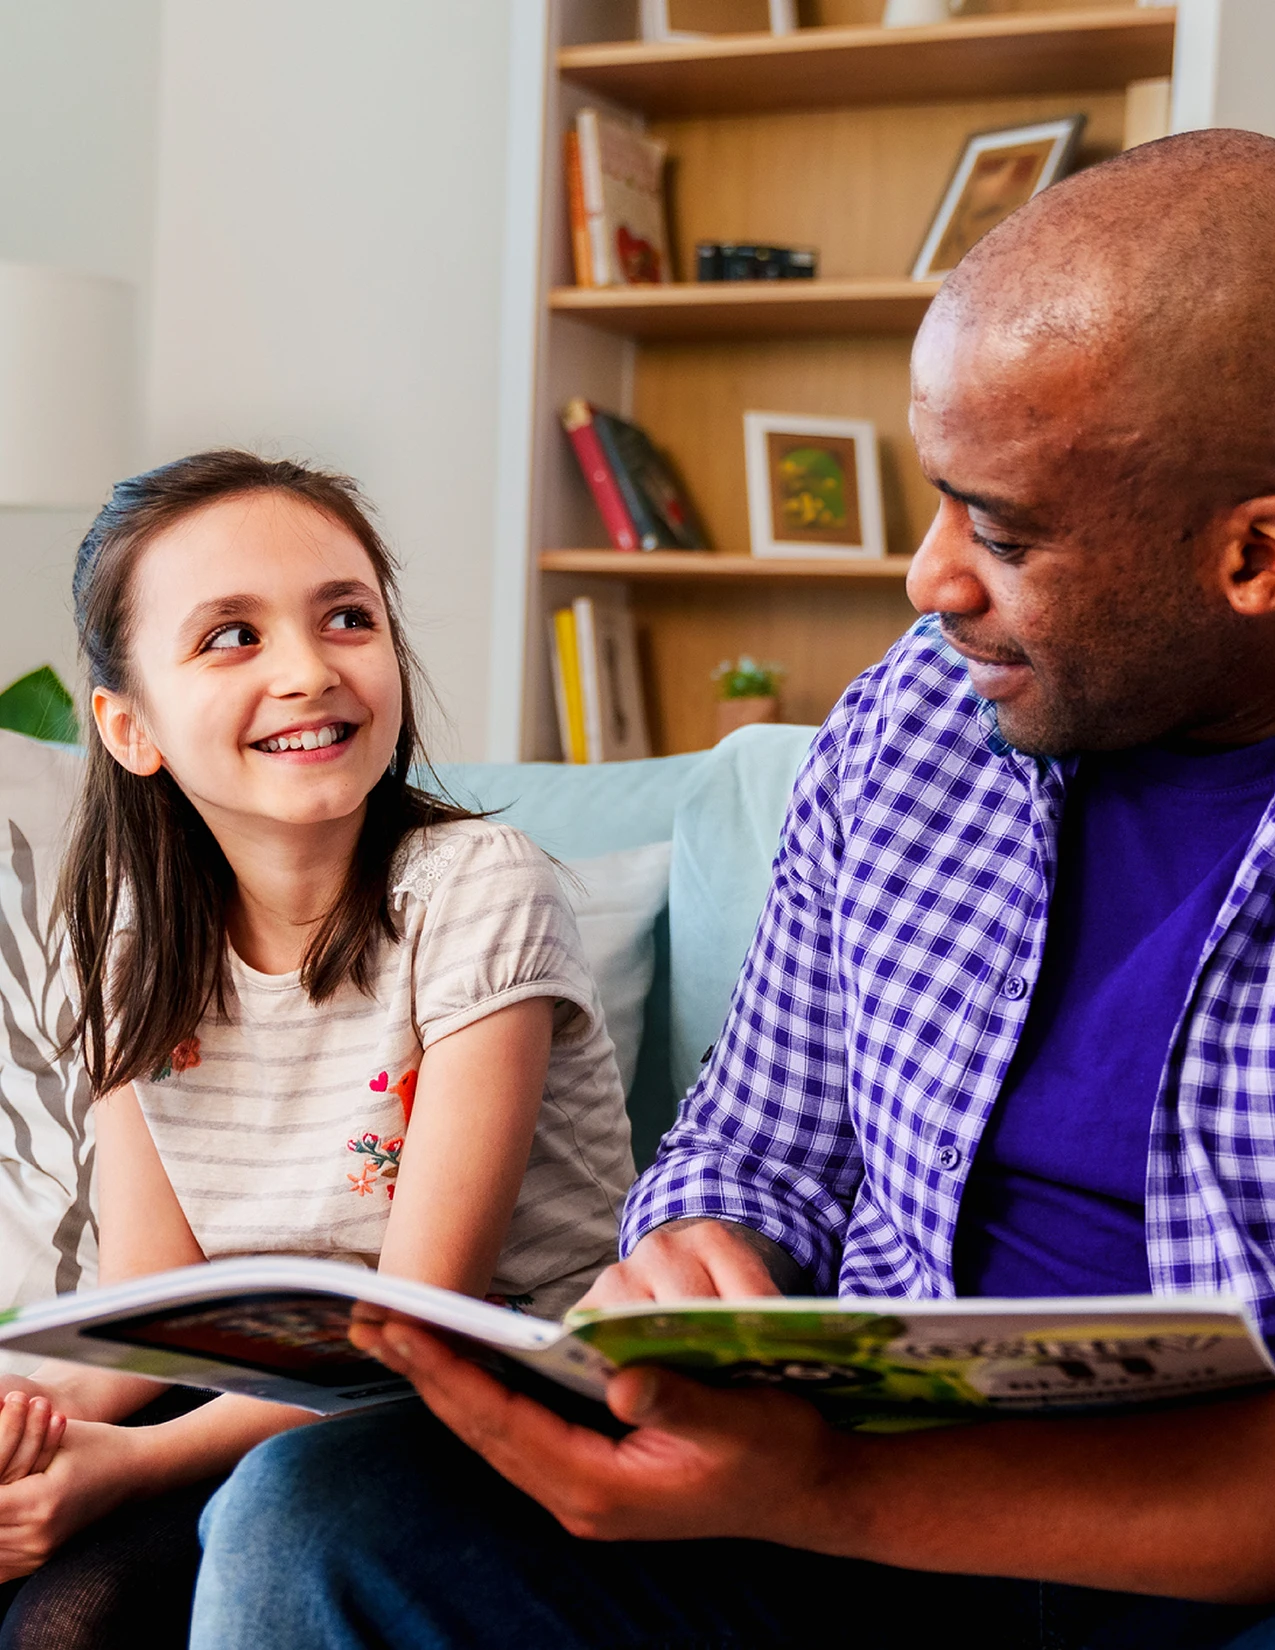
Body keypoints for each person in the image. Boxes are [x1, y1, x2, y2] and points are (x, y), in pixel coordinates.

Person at [189, 126, 1275, 1649]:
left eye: (1006, 532)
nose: (927, 578)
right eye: (937, 496)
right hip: (841, 1503)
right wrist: (707, 1254)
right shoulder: (917, 720)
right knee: (323, 1522)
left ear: (1254, 553)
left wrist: (821, 1488)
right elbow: (755, 1139)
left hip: (1195, 1560)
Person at [0, 451, 634, 1648]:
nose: (308, 669)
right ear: (130, 728)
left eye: (347, 617)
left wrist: (119, 1470)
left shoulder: (478, 891)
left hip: (478, 1406)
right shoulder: (124, 943)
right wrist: (37, 1422)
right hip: (262, 1394)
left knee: (70, 1623)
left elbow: (423, 1324)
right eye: (231, 637)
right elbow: (146, 1313)